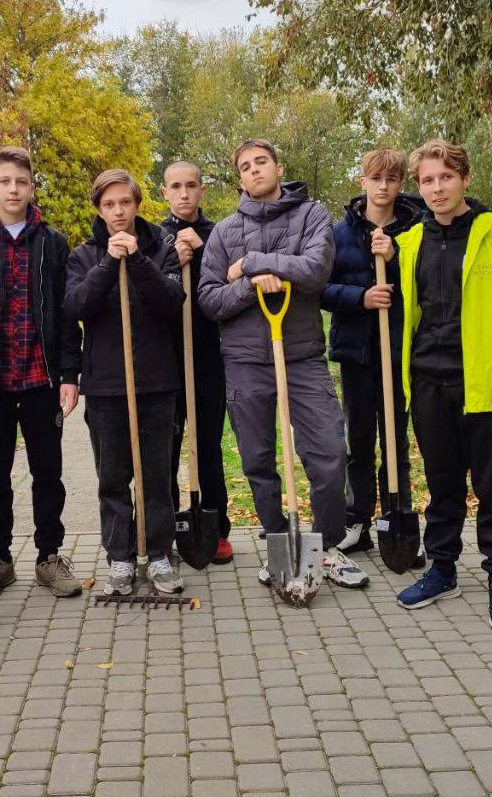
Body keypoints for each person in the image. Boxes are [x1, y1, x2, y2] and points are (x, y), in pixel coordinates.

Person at [197, 139, 368, 589]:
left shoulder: (311, 215)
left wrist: (250, 263)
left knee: (330, 455)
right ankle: (278, 546)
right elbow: (209, 299)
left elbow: (315, 270)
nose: (255, 171)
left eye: (262, 162)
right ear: (239, 178)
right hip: (246, 361)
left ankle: (327, 547)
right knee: (256, 459)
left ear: (278, 167)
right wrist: (250, 288)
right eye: (245, 166)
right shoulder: (224, 232)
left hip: (302, 356)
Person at [386, 141, 492, 629]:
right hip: (428, 380)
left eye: (445, 177)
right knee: (442, 484)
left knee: (491, 486)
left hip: (485, 385)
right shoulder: (409, 243)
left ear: (465, 178)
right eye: (427, 180)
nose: (437, 188)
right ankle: (442, 568)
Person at [0, 147, 83, 597]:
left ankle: (49, 556)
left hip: (41, 378)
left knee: (49, 471)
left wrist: (69, 373)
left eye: (21, 182)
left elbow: (67, 315)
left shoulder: (52, 242)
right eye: (5, 181)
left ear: (31, 188)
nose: (13, 189)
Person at [63, 169, 186, 596]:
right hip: (107, 386)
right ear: (99, 209)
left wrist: (135, 260)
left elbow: (173, 303)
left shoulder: (162, 249)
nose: (119, 212)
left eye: (126, 203)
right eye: (110, 204)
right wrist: (107, 262)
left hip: (155, 382)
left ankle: (156, 554)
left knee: (155, 477)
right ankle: (119, 556)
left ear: (137, 205)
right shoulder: (82, 255)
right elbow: (77, 306)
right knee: (112, 478)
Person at [322, 148, 426, 554]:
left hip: (400, 351)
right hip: (357, 352)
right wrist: (360, 297)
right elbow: (320, 289)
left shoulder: (417, 229)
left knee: (397, 439)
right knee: (360, 440)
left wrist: (395, 259)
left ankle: (397, 515)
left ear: (401, 185)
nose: (383, 187)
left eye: (392, 180)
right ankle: (357, 519)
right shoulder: (339, 233)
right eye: (376, 178)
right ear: (362, 181)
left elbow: (428, 280)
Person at [160, 160, 232, 564]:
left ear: (202, 191)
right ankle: (168, 526)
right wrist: (174, 258)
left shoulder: (219, 235)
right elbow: (150, 284)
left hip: (207, 356)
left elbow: (226, 286)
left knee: (207, 446)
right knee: (166, 450)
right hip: (166, 360)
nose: (184, 193)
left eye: (191, 186)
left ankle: (216, 526)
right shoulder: (152, 236)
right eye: (176, 186)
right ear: (165, 192)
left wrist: (202, 254)